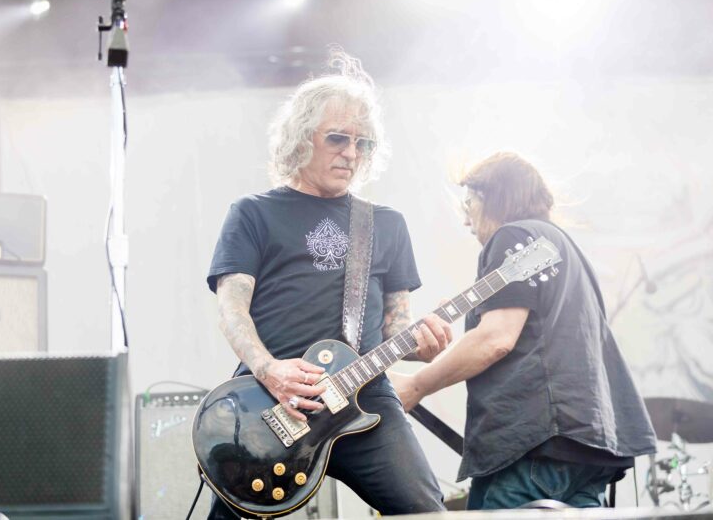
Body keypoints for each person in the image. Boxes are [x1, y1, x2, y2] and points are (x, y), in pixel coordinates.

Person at [205, 49, 452, 519]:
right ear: (302, 137)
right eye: (338, 138)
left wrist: (424, 344)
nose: (351, 153)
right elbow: (231, 310)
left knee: (425, 512)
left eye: (363, 144)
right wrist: (270, 371)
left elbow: (397, 327)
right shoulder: (253, 213)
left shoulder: (387, 224)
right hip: (271, 401)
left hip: (365, 398)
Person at [391, 152, 657, 509]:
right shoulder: (563, 247)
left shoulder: (512, 236)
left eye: (469, 203)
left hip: (535, 445)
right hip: (590, 447)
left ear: (494, 197)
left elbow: (496, 338)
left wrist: (415, 385)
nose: (466, 219)